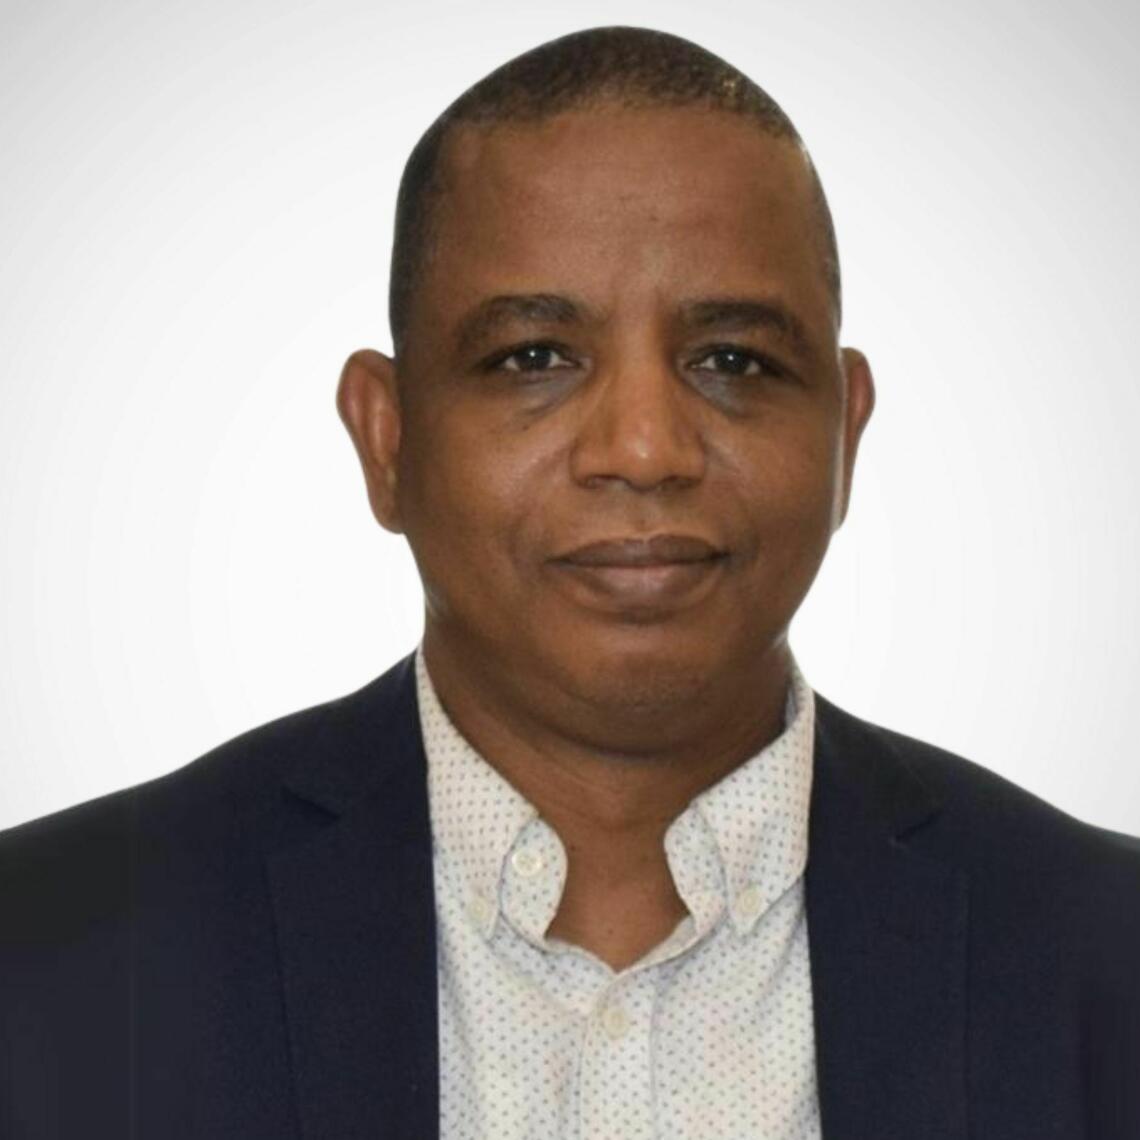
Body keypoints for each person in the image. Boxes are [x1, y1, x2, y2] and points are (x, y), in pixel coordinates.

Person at [1, 24, 1137, 1140]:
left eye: (733, 360)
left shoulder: (1103, 957)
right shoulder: (53, 952)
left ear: (846, 428)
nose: (644, 448)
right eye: (532, 357)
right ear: (387, 439)